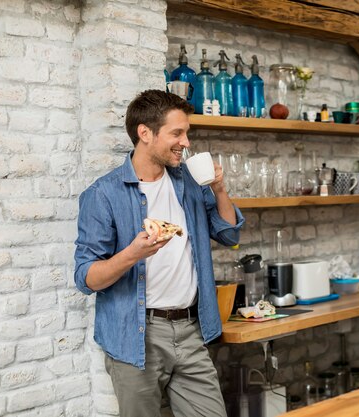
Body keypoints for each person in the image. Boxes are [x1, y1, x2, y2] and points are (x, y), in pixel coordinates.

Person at [74, 89, 244, 417]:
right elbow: (86, 278)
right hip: (136, 336)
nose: (186, 142)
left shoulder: (189, 183)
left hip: (191, 329)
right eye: (177, 133)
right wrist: (133, 253)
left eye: (187, 133)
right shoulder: (103, 195)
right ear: (145, 133)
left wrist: (219, 189)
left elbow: (228, 233)